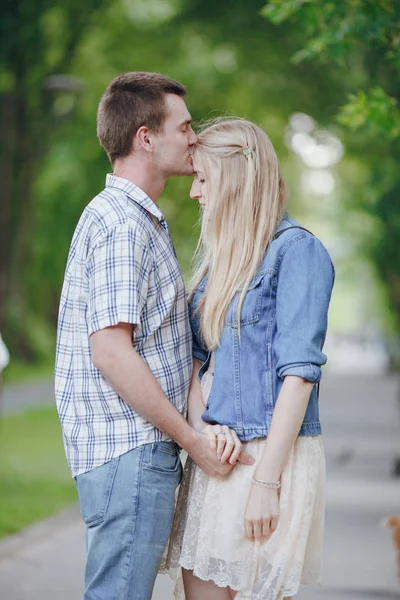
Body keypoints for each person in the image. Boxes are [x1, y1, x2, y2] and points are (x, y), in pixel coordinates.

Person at [54, 73, 254, 600]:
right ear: (146, 137)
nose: (194, 137)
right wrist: (194, 442)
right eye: (184, 126)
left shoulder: (137, 220)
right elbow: (111, 352)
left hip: (134, 455)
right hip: (131, 452)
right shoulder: (123, 225)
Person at [163, 117, 335, 600]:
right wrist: (203, 428)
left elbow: (299, 377)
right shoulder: (222, 260)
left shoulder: (299, 252)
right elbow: (195, 363)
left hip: (270, 458)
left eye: (202, 178)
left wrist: (266, 482)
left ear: (235, 177)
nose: (195, 192)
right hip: (217, 458)